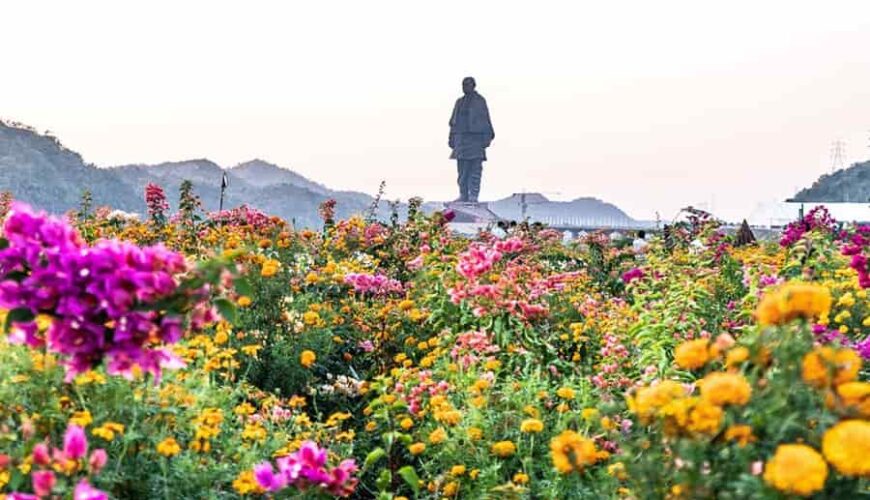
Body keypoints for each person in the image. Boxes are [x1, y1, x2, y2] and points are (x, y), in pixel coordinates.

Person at [449, 77, 494, 203]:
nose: (464, 87)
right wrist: (451, 137)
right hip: (461, 140)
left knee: (475, 170)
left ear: (473, 86)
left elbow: (486, 120)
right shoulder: (459, 102)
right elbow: (453, 122)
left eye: (467, 85)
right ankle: (463, 194)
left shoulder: (480, 101)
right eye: (463, 85)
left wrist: (486, 138)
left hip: (475, 140)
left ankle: (473, 195)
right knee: (462, 171)